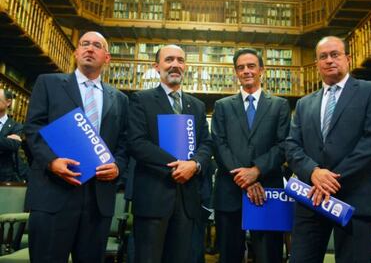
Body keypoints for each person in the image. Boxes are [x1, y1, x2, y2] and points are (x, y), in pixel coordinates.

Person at [24, 31, 129, 262]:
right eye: (85, 44)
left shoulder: (119, 99)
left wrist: (118, 167)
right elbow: (32, 129)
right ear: (76, 52)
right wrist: (52, 161)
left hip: (97, 199)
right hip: (54, 192)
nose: (90, 49)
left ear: (107, 58)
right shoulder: (49, 83)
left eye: (97, 45)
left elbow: (123, 143)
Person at [285, 36, 371, 263]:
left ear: (348, 59)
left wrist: (331, 180)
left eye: (335, 54)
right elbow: (292, 146)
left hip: (355, 198)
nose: (329, 60)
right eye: (323, 56)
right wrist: (314, 172)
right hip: (311, 200)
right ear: (317, 64)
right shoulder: (304, 104)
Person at [128, 44, 213, 263]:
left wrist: (193, 165)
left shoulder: (197, 106)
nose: (175, 65)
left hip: (187, 199)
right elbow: (137, 143)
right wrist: (179, 164)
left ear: (186, 66)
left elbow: (206, 143)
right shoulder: (141, 100)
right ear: (157, 66)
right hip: (153, 196)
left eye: (180, 60)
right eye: (169, 60)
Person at [211, 48, 291, 263]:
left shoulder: (280, 106)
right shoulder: (222, 106)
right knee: (229, 256)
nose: (246, 71)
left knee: (268, 256)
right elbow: (219, 145)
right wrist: (244, 179)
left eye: (251, 66)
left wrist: (256, 171)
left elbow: (283, 144)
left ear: (261, 70)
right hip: (229, 192)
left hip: (267, 192)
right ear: (236, 72)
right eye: (241, 67)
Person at [0, 89, 24, 181]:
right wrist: (5, 140)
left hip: (3, 179)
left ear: (8, 102)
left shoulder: (16, 126)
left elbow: (14, 145)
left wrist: (10, 143)